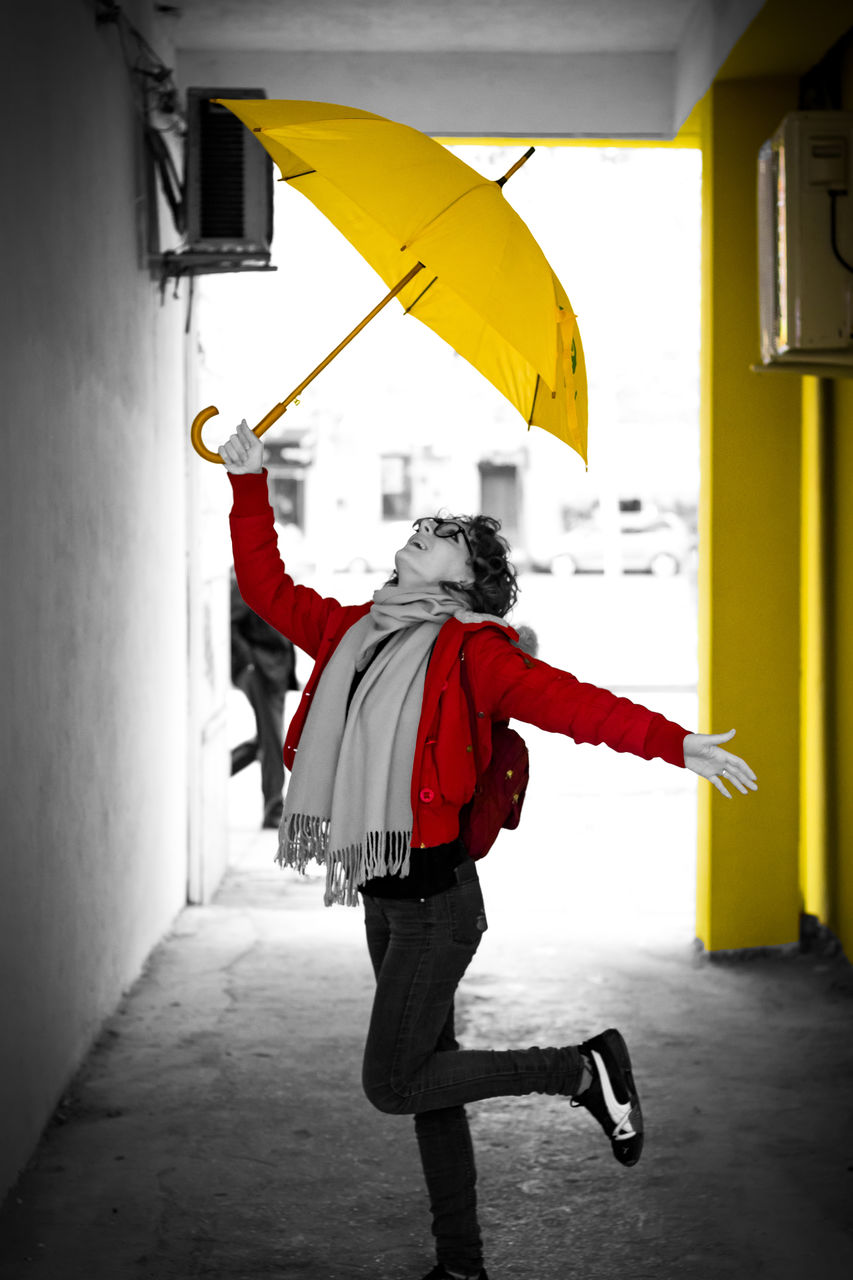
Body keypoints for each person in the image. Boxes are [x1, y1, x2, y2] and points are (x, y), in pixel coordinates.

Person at [219, 419, 757, 1280]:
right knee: (432, 1080)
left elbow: (577, 705)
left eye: (448, 535)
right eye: (428, 525)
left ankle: (579, 1069)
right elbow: (265, 587)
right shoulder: (358, 630)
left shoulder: (473, 654)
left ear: (464, 579)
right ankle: (461, 1263)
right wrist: (250, 484)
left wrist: (677, 743)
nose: (426, 529)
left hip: (436, 908)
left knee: (394, 1082)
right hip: (384, 897)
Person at [230, 567, 299, 828]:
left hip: (276, 671)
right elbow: (231, 624)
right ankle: (273, 808)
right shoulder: (243, 583)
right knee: (271, 737)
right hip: (261, 669)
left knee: (269, 737)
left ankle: (215, 772)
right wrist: (248, 662)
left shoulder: (273, 580)